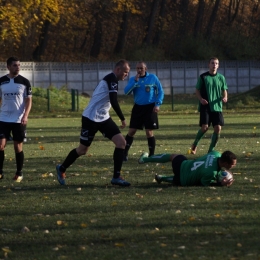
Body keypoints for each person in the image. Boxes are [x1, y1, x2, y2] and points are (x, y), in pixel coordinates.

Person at [56, 59, 131, 186]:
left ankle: (116, 177)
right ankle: (62, 168)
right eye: (125, 72)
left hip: (103, 118)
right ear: (118, 70)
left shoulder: (113, 80)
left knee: (121, 143)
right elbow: (113, 100)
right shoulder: (112, 79)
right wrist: (122, 118)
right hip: (90, 118)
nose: (126, 75)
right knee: (82, 150)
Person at [123, 61, 164, 161]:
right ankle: (124, 154)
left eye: (141, 68)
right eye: (137, 68)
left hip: (150, 108)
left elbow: (160, 91)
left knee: (149, 132)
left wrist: (157, 104)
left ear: (145, 69)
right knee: (132, 131)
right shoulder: (133, 79)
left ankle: (151, 155)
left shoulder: (153, 78)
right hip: (138, 107)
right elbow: (126, 92)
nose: (139, 70)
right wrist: (134, 82)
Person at [0, 57, 32, 182]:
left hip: (19, 119)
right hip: (3, 118)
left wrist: (25, 115)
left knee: (17, 147)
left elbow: (29, 100)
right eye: (14, 65)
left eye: (18, 65)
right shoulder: (1, 81)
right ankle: (0, 172)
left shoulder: (24, 82)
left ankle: (19, 173)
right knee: (0, 145)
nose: (17, 67)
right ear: (8, 67)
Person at [190, 57, 228, 155]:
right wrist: (201, 99)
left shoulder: (221, 77)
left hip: (217, 106)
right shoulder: (203, 77)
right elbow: (197, 90)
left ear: (218, 65)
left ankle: (210, 151)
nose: (214, 65)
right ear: (209, 64)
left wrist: (225, 97)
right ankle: (195, 144)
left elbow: (224, 90)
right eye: (212, 63)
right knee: (205, 127)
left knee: (218, 128)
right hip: (205, 106)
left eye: (216, 63)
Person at [138, 150, 236, 187]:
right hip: (183, 180)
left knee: (173, 156)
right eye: (232, 164)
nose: (233, 166)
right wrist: (220, 184)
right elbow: (203, 184)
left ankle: (145, 159)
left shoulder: (216, 154)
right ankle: (162, 178)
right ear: (225, 163)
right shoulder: (211, 173)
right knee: (182, 180)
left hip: (184, 164)